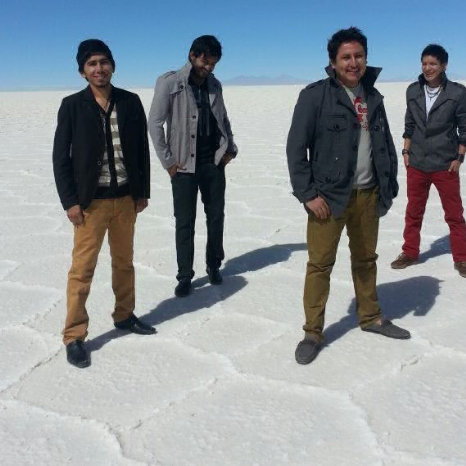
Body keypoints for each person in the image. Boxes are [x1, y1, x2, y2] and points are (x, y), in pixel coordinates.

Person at [286, 27, 410, 365]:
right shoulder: (315, 96)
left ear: (365, 58)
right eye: (346, 57)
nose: (353, 62)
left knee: (366, 259)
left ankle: (370, 317)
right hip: (328, 197)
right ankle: (313, 331)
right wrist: (308, 194)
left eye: (358, 56)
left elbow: (384, 145)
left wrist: (389, 186)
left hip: (368, 195)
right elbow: (296, 150)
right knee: (320, 265)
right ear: (333, 62)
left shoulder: (374, 97)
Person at [53, 39, 155, 368]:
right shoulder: (72, 106)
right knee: (82, 271)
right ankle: (74, 335)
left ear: (113, 65)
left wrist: (142, 192)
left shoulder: (130, 101)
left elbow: (140, 150)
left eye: (104, 62)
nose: (99, 68)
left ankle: (124, 316)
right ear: (82, 72)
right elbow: (60, 159)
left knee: (124, 264)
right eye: (92, 63)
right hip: (90, 205)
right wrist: (70, 201)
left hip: (125, 199)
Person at [148, 35, 237, 298]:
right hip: (183, 165)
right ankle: (185, 275)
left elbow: (223, 119)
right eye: (205, 62)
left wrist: (230, 149)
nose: (208, 68)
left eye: (213, 64)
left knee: (216, 216)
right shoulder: (170, 83)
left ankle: (213, 265)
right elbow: (155, 124)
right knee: (185, 221)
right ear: (192, 55)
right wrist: (169, 162)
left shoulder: (214, 85)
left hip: (213, 162)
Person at [391, 44, 466, 277]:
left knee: (454, 214)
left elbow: (464, 129)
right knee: (413, 211)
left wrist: (459, 158)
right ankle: (410, 252)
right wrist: (406, 152)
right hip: (418, 163)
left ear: (444, 65)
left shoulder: (457, 93)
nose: (428, 68)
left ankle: (462, 257)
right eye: (424, 63)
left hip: (445, 163)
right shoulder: (412, 91)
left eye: (433, 64)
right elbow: (409, 125)